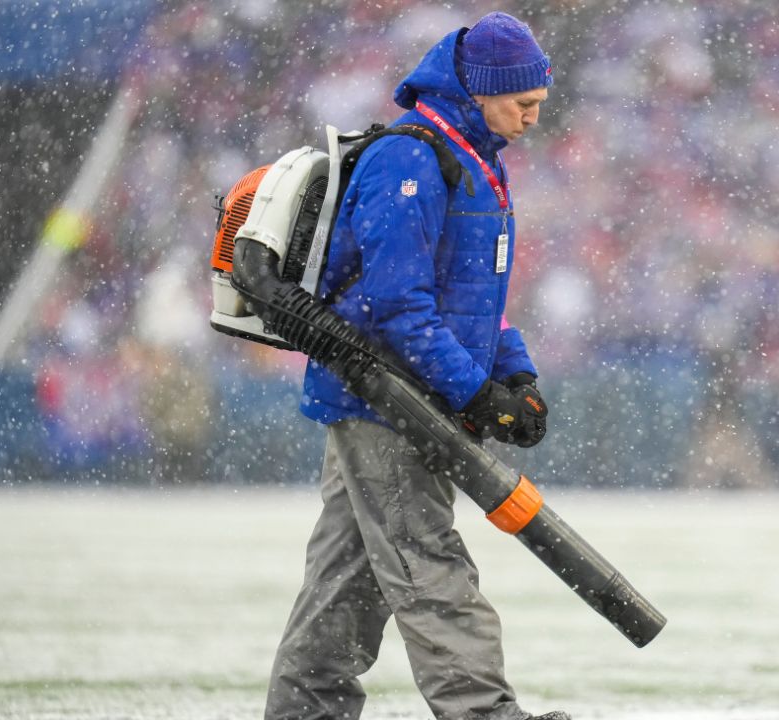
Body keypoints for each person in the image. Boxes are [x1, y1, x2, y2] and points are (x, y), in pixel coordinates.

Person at [265, 13, 564, 720]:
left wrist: (515, 375)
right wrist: (476, 392)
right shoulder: (412, 159)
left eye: (539, 104)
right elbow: (398, 307)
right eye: (522, 102)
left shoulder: (473, 158)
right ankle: (484, 714)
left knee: (346, 583)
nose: (532, 117)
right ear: (480, 90)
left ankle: (304, 712)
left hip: (399, 396)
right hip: (386, 400)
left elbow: (477, 301)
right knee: (429, 565)